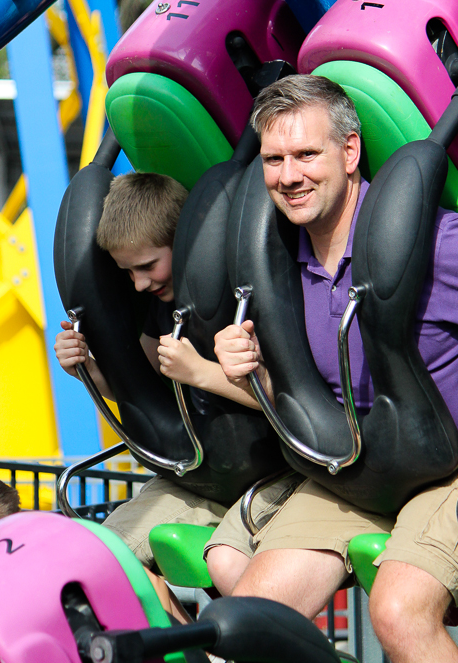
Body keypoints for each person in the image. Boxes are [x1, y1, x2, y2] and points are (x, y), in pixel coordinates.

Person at [203, 75, 458, 663]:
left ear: (350, 153)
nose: (289, 175)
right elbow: (310, 395)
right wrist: (246, 370)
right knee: (247, 619)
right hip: (362, 467)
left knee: (399, 611)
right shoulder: (281, 264)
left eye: (307, 154)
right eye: (274, 159)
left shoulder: (435, 245)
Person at [54, 171, 293, 620]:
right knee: (104, 565)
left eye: (148, 266)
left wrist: (202, 372)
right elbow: (142, 391)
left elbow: (293, 405)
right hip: (201, 471)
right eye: (128, 272)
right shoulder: (161, 307)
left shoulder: (238, 295)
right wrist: (86, 370)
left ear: (182, 245)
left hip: (269, 472)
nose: (140, 283)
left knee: (234, 580)